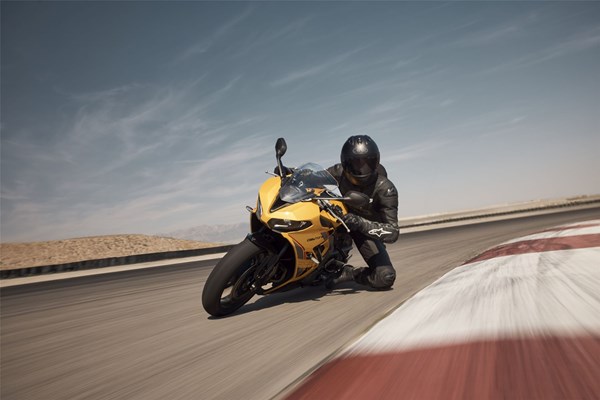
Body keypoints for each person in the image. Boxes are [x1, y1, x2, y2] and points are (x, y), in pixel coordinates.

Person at [326, 135, 399, 290]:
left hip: (365, 231)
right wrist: (291, 173)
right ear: (345, 163)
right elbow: (313, 177)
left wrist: (360, 223)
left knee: (385, 277)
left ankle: (350, 273)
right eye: (355, 163)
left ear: (376, 162)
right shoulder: (338, 171)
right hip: (340, 220)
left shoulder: (386, 189)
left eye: (367, 162)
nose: (361, 168)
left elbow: (393, 232)